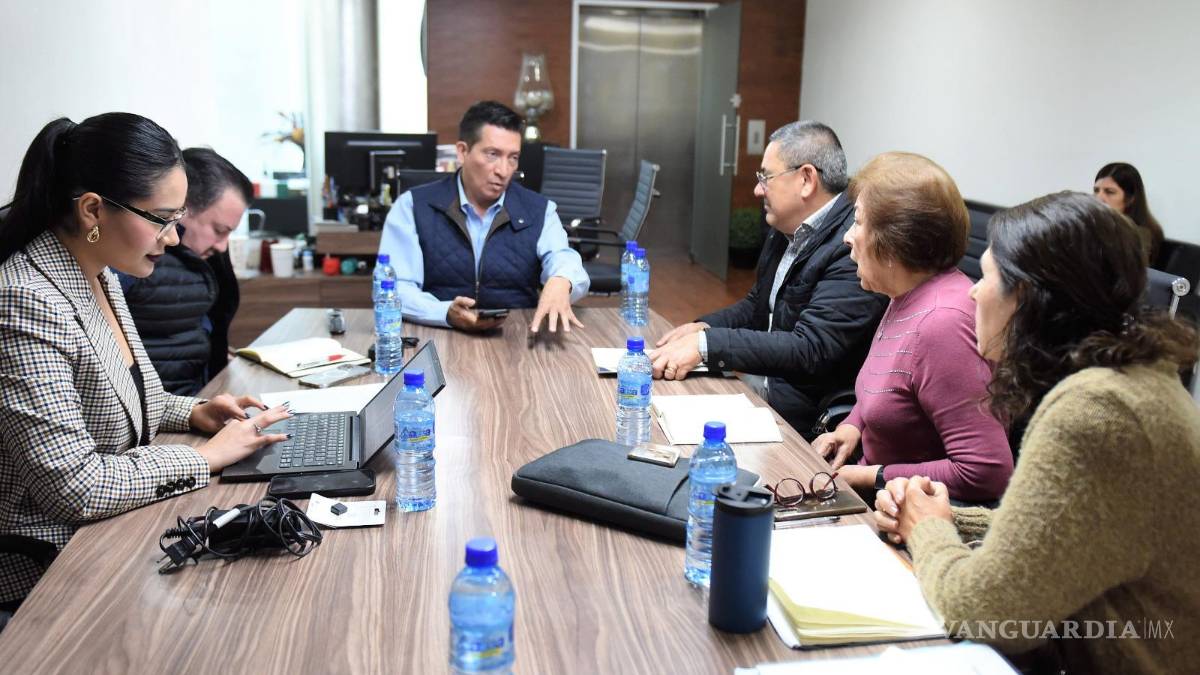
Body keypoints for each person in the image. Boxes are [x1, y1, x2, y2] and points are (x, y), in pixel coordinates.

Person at [874, 191, 1200, 674]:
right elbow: (1067, 533)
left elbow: (984, 613)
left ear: (1025, 298)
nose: (973, 293)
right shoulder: (1132, 382)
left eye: (986, 277)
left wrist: (927, 529)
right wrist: (944, 517)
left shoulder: (1096, 411)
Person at [0, 114, 291, 612]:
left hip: (109, 533)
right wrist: (205, 457)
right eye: (161, 219)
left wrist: (196, 412)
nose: (173, 238)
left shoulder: (99, 272)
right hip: (49, 569)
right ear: (93, 210)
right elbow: (76, 487)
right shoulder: (26, 299)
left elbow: (141, 395)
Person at [650, 121, 887, 438]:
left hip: (802, 424)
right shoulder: (785, 226)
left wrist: (708, 345)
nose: (757, 190)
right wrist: (705, 327)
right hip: (761, 391)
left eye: (765, 178)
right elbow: (759, 304)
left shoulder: (850, 247)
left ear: (806, 179)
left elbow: (810, 348)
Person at [815, 152, 1012, 502]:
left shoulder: (942, 323)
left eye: (857, 223)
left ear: (894, 242)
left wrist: (870, 476)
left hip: (910, 516)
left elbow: (986, 471)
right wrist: (853, 425)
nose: (847, 237)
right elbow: (893, 387)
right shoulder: (906, 294)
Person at [377, 101, 589, 334]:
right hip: (438, 335)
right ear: (462, 151)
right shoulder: (412, 206)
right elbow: (395, 287)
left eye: (513, 157)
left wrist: (562, 279)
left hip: (517, 337)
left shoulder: (539, 210)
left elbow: (563, 257)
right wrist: (444, 312)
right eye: (492, 154)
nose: (503, 170)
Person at [118, 147, 252, 395]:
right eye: (219, 230)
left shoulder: (201, 260)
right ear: (183, 206)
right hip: (161, 408)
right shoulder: (136, 257)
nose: (222, 246)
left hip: (196, 399)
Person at [1093, 162, 1163, 265]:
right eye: (1096, 190)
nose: (1099, 198)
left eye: (1110, 192)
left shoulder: (1140, 235)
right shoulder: (1095, 224)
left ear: (1130, 198)